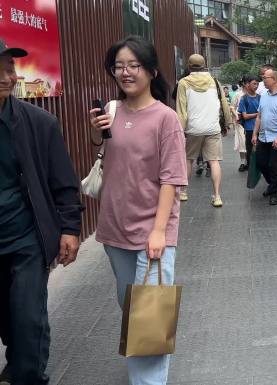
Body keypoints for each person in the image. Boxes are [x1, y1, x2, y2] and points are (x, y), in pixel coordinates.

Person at [88, 35, 187, 385]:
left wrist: (159, 231)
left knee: (148, 316)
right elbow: (110, 161)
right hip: (115, 229)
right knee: (132, 308)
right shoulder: (112, 112)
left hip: (152, 230)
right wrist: (98, 135)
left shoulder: (166, 119)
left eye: (133, 65)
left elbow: (172, 179)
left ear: (151, 70)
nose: (125, 72)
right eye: (118, 66)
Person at [0, 40, 82, 385]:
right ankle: (19, 364)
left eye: (9, 68)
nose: (8, 77)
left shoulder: (40, 123)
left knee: (28, 315)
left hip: (26, 237)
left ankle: (28, 376)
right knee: (9, 319)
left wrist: (69, 228)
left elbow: (63, 182)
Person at [175, 54, 231, 207]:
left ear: (189, 66)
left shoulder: (183, 83)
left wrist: (180, 130)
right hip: (213, 127)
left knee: (188, 160)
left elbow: (181, 109)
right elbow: (224, 104)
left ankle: (184, 192)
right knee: (214, 162)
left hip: (193, 129)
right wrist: (227, 123)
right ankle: (217, 196)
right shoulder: (214, 81)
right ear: (204, 65)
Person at [251, 69, 277, 205]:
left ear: (274, 79)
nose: (263, 80)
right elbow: (259, 116)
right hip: (263, 137)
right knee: (261, 163)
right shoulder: (263, 96)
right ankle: (273, 184)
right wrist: (254, 134)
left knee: (275, 167)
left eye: (265, 78)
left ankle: (274, 192)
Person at [238, 75, 260, 173]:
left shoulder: (260, 98)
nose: (256, 86)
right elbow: (245, 116)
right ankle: (252, 169)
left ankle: (259, 168)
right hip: (250, 128)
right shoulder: (244, 99)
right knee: (250, 150)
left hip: (261, 128)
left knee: (260, 150)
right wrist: (258, 114)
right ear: (248, 85)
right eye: (254, 84)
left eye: (257, 84)